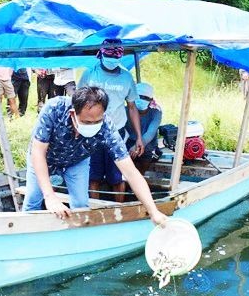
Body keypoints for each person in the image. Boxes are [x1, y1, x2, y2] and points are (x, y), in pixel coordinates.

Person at [23, 86, 166, 225]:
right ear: (73, 114)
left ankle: (77, 238)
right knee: (33, 201)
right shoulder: (54, 108)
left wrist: (153, 211)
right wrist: (50, 197)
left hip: (77, 161)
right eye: (87, 122)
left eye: (97, 121)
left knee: (81, 205)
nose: (93, 125)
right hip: (44, 159)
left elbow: (130, 172)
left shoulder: (106, 127)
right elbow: (38, 152)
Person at [78, 38, 143, 203]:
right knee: (94, 174)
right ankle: (95, 207)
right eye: (109, 58)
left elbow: (132, 107)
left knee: (117, 174)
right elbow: (78, 102)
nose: (112, 62)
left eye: (116, 59)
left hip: (116, 130)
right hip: (92, 130)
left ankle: (119, 208)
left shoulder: (126, 78)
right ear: (101, 55)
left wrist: (139, 137)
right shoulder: (90, 73)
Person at [125, 82, 162, 175]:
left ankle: (141, 175)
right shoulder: (126, 110)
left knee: (146, 154)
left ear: (151, 100)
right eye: (139, 97)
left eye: (145, 98)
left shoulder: (156, 112)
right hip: (129, 141)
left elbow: (150, 133)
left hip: (148, 143)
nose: (141, 100)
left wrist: (137, 146)